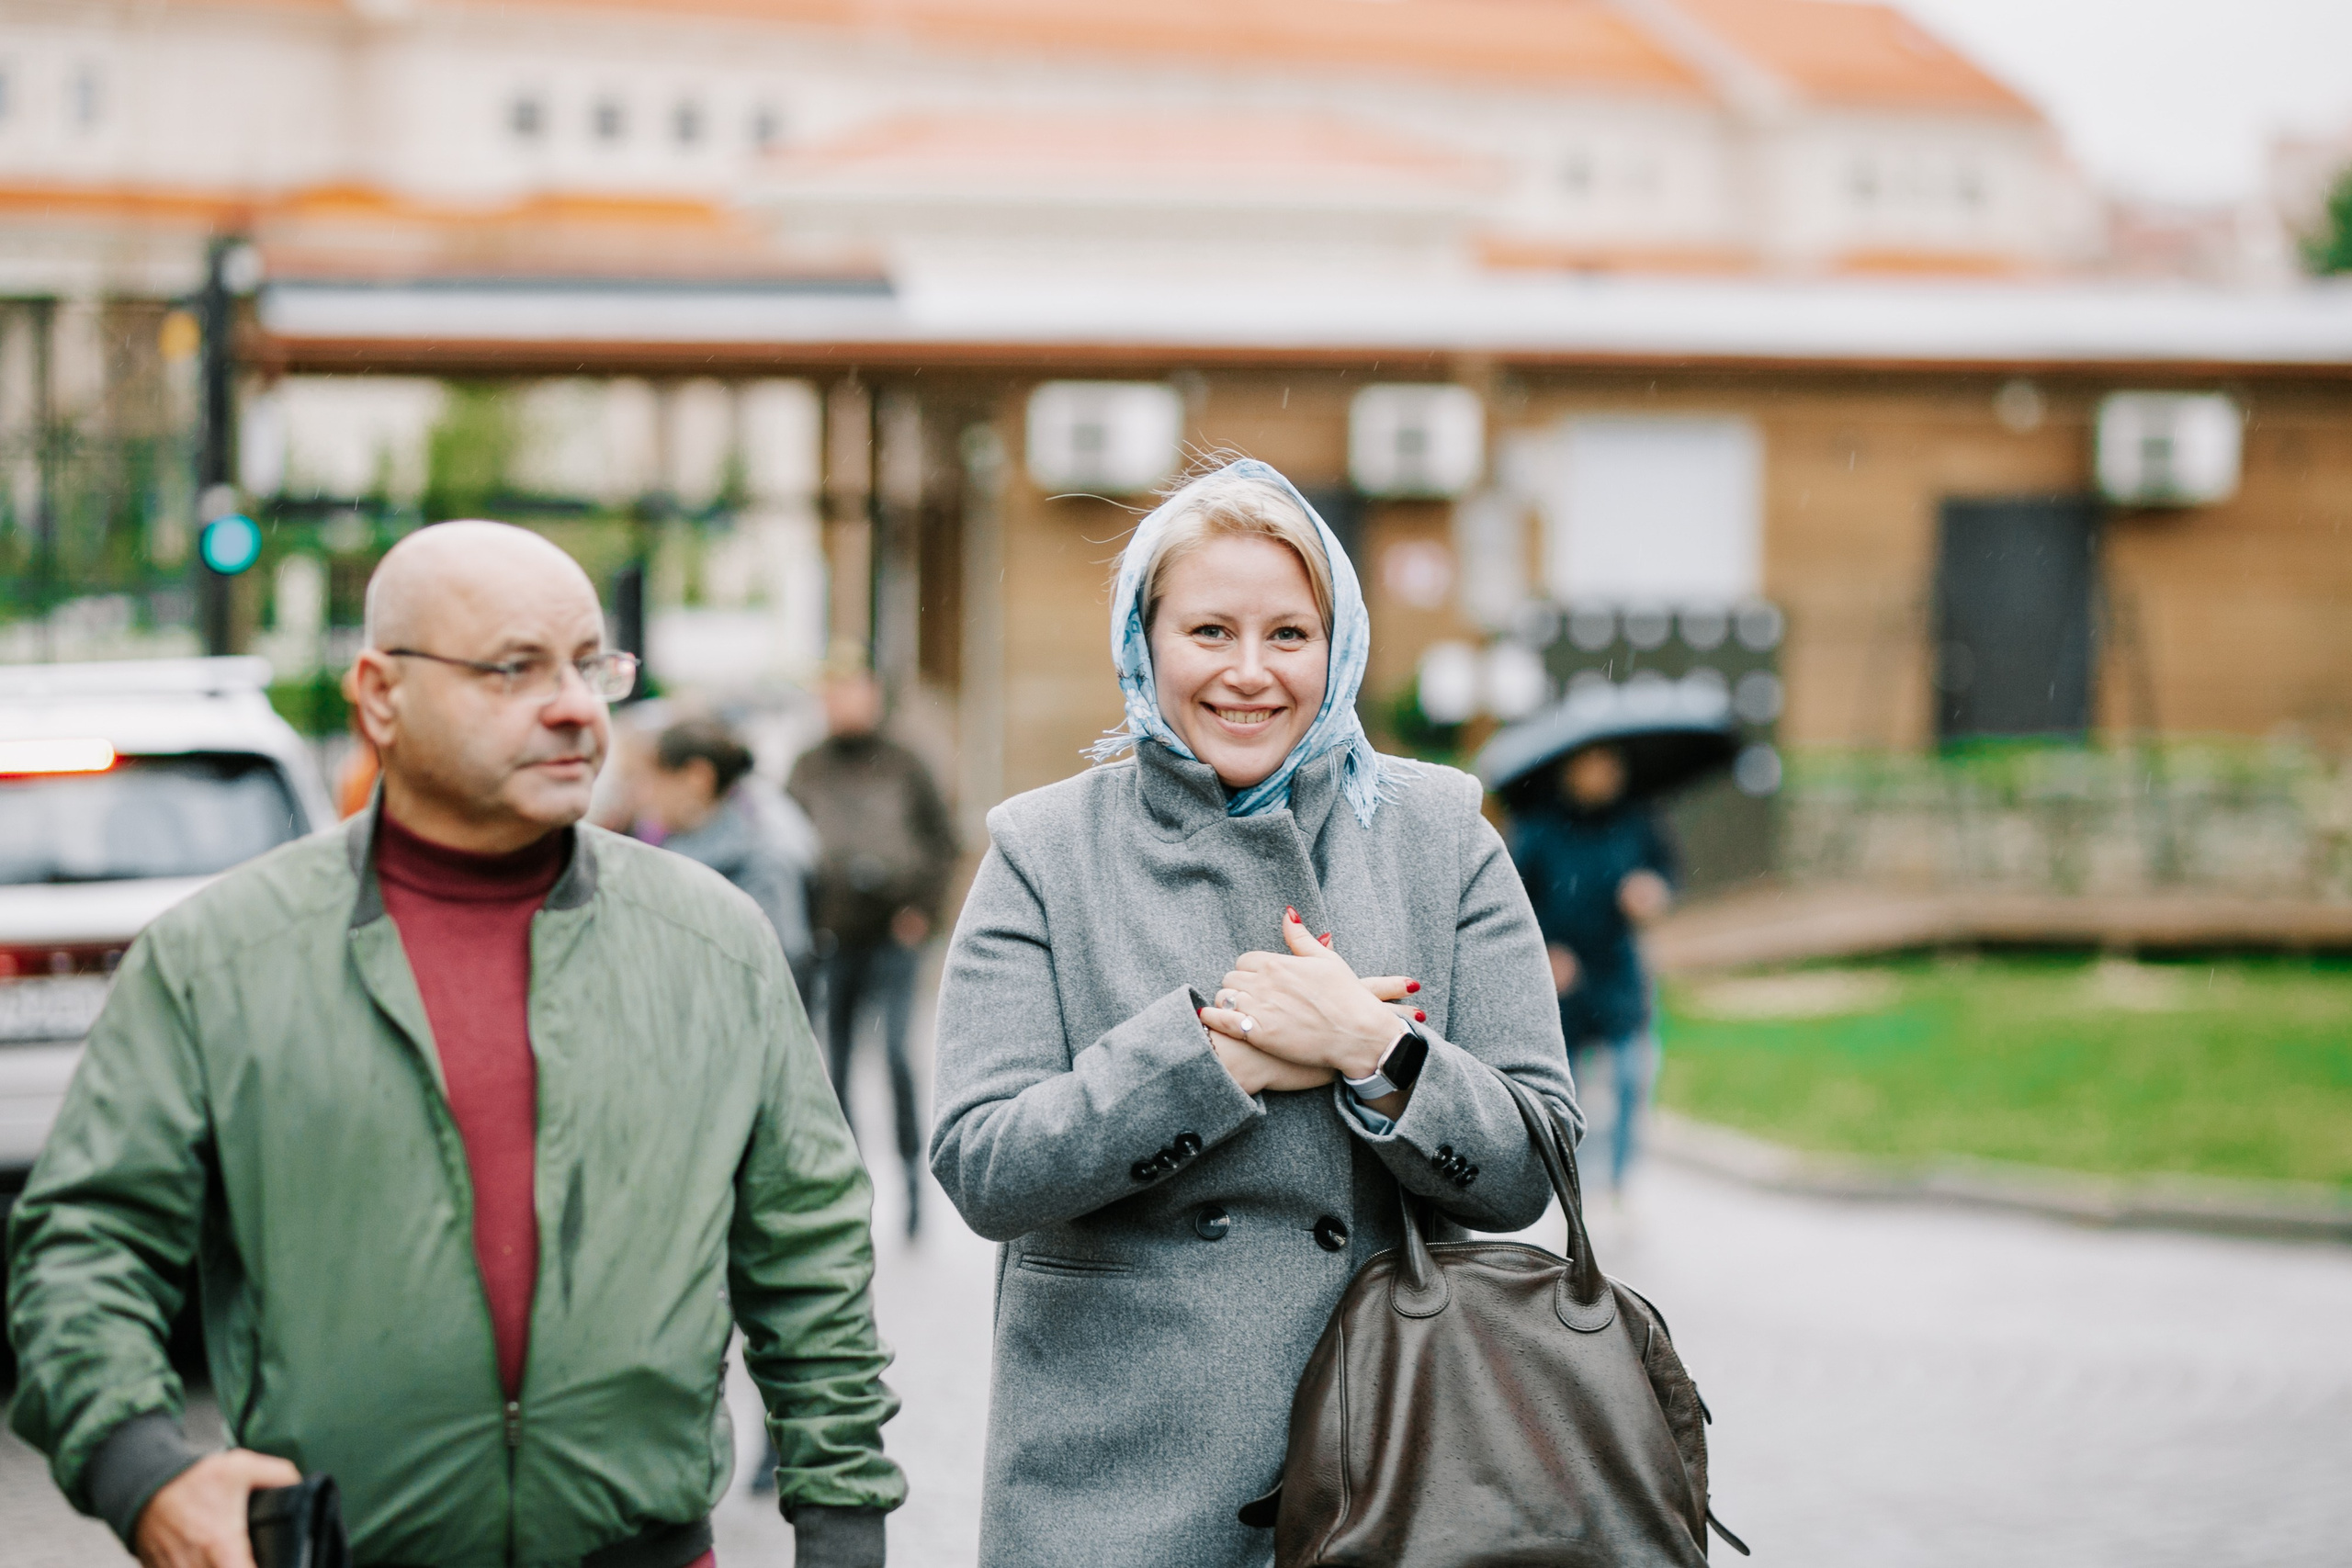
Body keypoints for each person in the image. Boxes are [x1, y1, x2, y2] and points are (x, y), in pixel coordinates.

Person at [6, 521, 903, 1568]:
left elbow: (810, 1260)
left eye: (587, 665)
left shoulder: (713, 944)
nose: (572, 705)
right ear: (381, 693)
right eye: (513, 670)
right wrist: (142, 1469)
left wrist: (845, 1533)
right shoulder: (217, 960)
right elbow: (85, 1245)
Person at [928, 458, 1581, 1568]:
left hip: (1390, 1463)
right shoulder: (1043, 851)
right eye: (1208, 632)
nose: (1249, 674)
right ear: (1143, 644)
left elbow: (1534, 1167)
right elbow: (984, 1165)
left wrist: (1372, 1049)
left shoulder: (1441, 835)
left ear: (1340, 648)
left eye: (1288, 634)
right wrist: (1221, 1060)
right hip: (1112, 1483)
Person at [788, 662, 957, 1239]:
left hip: (895, 932)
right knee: (832, 1067)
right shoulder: (807, 765)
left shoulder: (908, 761)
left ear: (875, 697)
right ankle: (844, 1194)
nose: (842, 703)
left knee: (894, 1057)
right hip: (833, 937)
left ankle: (914, 1192)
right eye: (832, 692)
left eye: (852, 692)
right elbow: (788, 846)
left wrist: (923, 913)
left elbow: (945, 840)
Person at [1509, 741, 1678, 1194]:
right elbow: (1512, 901)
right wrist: (1542, 950)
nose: (1602, 774)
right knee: (1570, 1091)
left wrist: (1651, 891)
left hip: (1618, 969)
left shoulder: (1637, 820)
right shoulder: (1538, 828)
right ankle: (1575, 1185)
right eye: (1592, 765)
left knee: (1629, 1075)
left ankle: (1620, 1182)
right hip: (1561, 978)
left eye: (1611, 765)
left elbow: (1664, 873)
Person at [639, 715, 822, 1003]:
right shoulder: (676, 843)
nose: (646, 795)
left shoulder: (764, 860)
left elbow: (777, 976)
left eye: (656, 780)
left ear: (697, 778)